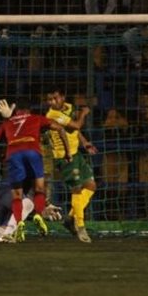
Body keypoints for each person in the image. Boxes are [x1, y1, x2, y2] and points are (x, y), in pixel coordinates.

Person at [0, 98, 70, 235]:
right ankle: (38, 214)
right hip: (32, 151)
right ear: (29, 110)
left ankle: (19, 223)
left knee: (17, 195)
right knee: (39, 188)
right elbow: (60, 129)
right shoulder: (36, 118)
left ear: (15, 110)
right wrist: (68, 153)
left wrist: (0, 156)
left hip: (13, 154)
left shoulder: (7, 122)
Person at [45, 88, 99, 243]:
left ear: (62, 97)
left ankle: (69, 218)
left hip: (76, 153)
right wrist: (84, 114)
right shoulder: (52, 115)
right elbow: (76, 125)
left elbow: (73, 131)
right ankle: (80, 227)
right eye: (49, 100)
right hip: (64, 158)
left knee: (91, 186)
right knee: (76, 189)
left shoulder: (68, 107)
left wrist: (85, 142)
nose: (52, 102)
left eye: (55, 98)